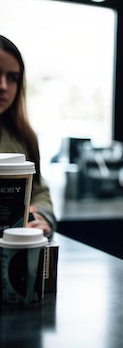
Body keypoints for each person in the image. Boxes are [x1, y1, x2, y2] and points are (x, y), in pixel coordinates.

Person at [0, 34, 56, 238]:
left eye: (12, 78)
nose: (3, 86)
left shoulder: (23, 136)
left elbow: (38, 191)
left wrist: (40, 216)